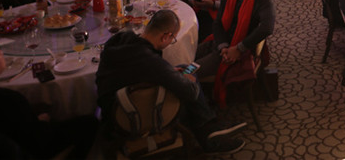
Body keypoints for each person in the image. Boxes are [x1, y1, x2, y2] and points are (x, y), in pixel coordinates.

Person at [96, 10, 246, 154]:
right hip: (129, 119)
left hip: (110, 109)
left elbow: (137, 71)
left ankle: (208, 130)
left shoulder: (119, 41)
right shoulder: (152, 62)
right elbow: (191, 92)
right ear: (165, 36)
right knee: (190, 82)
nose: (171, 42)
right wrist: (188, 80)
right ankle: (209, 133)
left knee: (182, 68)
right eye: (172, 39)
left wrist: (171, 72)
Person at [0, 41, 99, 159]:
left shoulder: (4, 97)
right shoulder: (10, 99)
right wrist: (43, 121)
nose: (2, 53)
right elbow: (37, 139)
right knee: (91, 123)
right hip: (34, 149)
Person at [194, 0, 274, 107]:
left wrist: (238, 48)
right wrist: (223, 46)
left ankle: (202, 111)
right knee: (185, 56)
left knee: (189, 72)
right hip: (222, 45)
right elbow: (218, 23)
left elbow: (267, 27)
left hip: (242, 51)